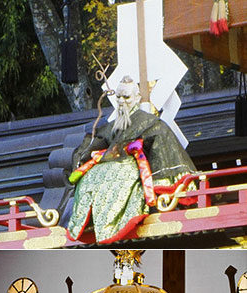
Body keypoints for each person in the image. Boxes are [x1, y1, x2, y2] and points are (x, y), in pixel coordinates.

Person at [66, 76, 197, 244]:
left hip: (130, 168)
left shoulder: (150, 123)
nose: (121, 101)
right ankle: (91, 221)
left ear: (137, 98)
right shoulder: (113, 126)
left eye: (126, 97)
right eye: (118, 97)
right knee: (90, 177)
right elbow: (96, 140)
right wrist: (85, 153)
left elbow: (161, 142)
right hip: (106, 168)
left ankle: (118, 222)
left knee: (123, 174)